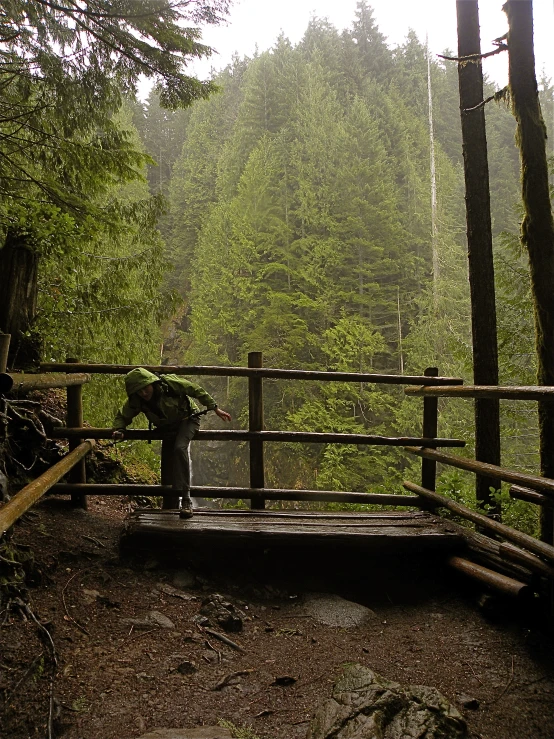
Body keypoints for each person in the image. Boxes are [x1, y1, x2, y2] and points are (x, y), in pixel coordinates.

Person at [111, 368, 231, 518]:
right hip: (167, 427)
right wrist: (120, 429)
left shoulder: (170, 384)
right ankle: (169, 505)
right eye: (139, 391)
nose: (143, 393)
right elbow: (123, 415)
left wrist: (214, 407)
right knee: (167, 463)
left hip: (189, 419)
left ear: (152, 383)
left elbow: (194, 389)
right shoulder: (136, 400)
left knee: (180, 449)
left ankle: (186, 500)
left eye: (145, 388)